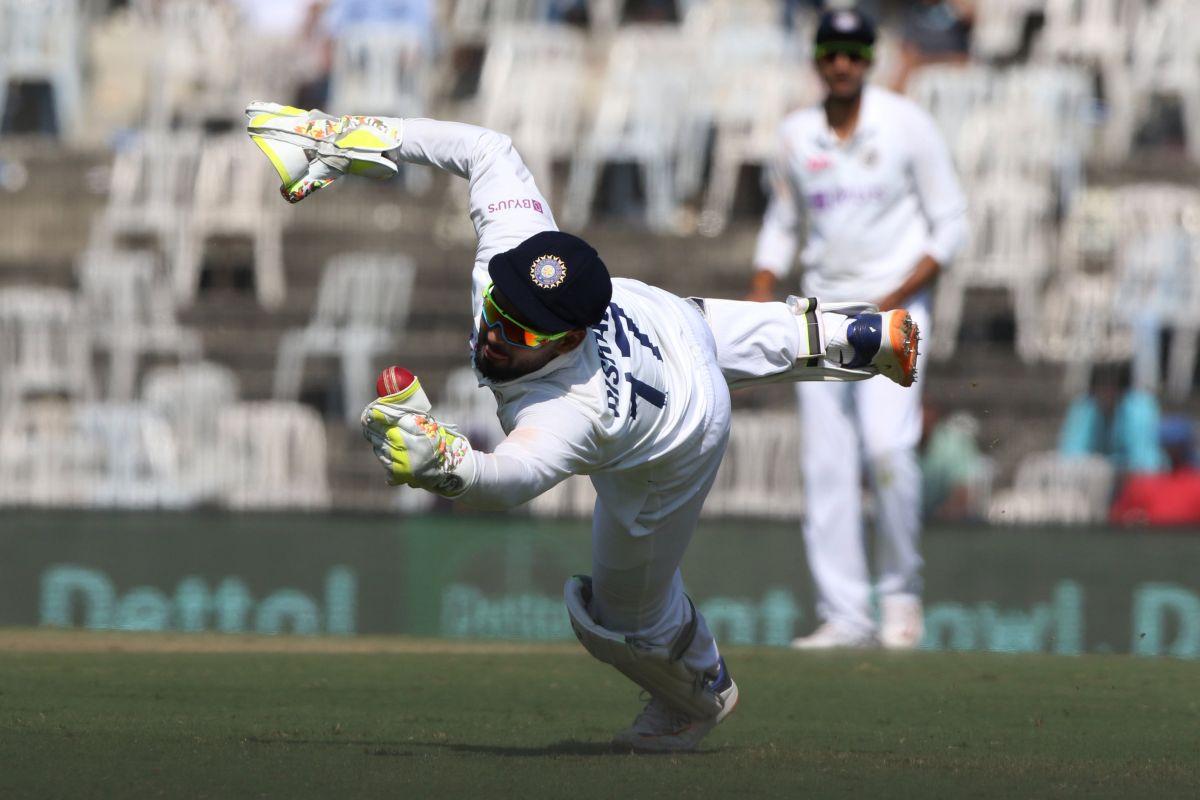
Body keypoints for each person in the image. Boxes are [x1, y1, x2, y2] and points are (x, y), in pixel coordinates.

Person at [245, 101, 919, 751]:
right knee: (702, 324)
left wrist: (447, 463)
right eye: (500, 306)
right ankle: (855, 334)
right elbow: (487, 149)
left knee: (613, 616)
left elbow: (511, 478)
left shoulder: (572, 409)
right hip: (662, 318)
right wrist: (351, 133)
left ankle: (701, 689)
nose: (495, 330)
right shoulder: (514, 256)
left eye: (520, 329)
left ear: (566, 342)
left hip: (678, 437)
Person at [748, 8, 968, 650]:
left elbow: (950, 223)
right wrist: (761, 292)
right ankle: (845, 615)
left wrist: (896, 294)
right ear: (817, 58)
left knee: (888, 450)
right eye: (830, 51)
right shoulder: (794, 135)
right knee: (826, 467)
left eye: (853, 52)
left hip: (895, 313)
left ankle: (900, 600)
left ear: (870, 59)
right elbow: (783, 224)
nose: (841, 63)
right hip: (818, 315)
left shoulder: (906, 125)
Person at [1058, 362, 1166, 477]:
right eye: (1101, 386)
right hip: (1097, 478)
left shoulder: (1141, 408)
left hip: (1135, 479)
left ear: (1123, 389)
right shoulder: (1083, 408)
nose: (1107, 392)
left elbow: (1147, 462)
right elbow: (1070, 455)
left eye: (1112, 386)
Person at [1110, 416, 1200, 527]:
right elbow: (1117, 517)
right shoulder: (1142, 486)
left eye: (1176, 446)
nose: (1172, 450)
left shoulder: (1195, 483)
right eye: (1169, 446)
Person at [891, 0, 975, 93]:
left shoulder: (955, 7)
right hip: (922, 61)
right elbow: (908, 49)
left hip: (955, 61)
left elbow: (970, 16)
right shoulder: (914, 10)